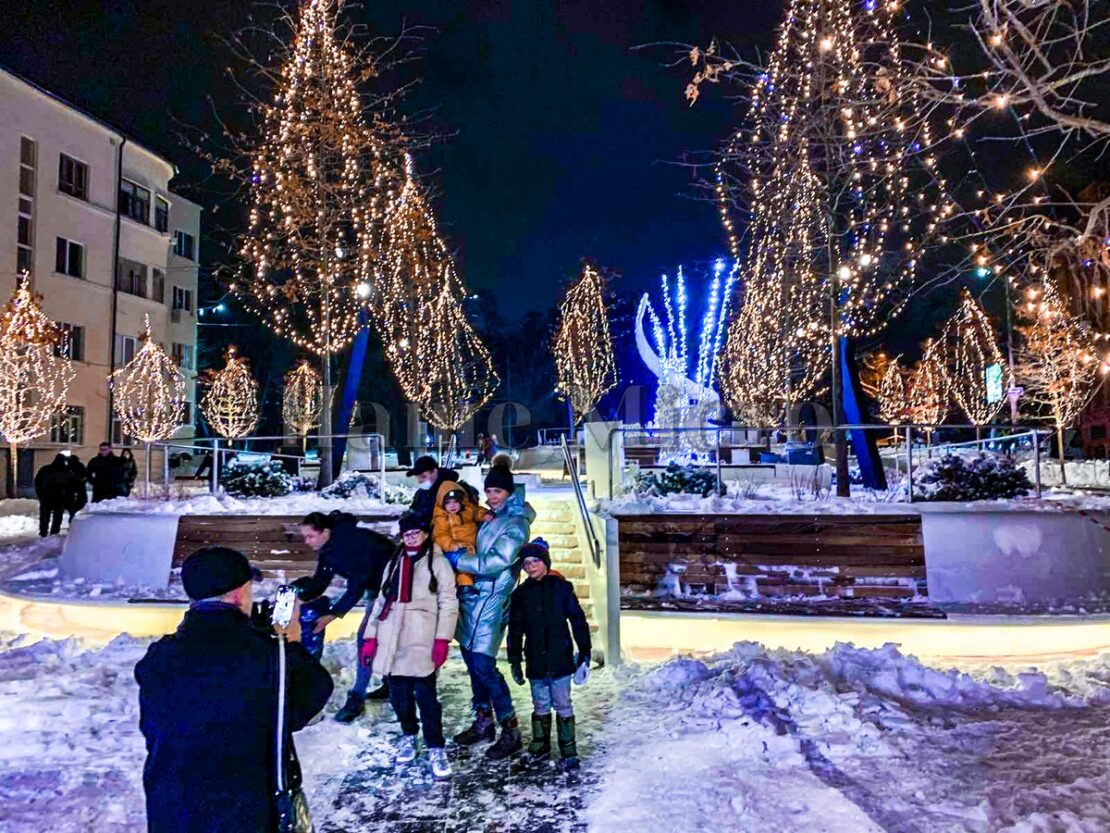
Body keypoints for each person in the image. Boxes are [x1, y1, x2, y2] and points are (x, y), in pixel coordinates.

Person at [135, 547, 333, 833]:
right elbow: (310, 700)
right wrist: (290, 643)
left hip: (173, 806)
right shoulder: (268, 656)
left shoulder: (159, 656)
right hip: (244, 809)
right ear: (240, 594)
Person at [443, 462, 535, 760]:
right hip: (472, 598)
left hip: (492, 601)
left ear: (509, 492)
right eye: (489, 491)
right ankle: (483, 721)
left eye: (497, 491)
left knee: (484, 665)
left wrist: (459, 561)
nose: (492, 496)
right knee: (471, 661)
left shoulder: (517, 522)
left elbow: (497, 560)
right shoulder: (491, 516)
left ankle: (511, 730)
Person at [359, 512, 458, 780]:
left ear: (425, 533)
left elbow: (448, 603)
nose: (411, 537)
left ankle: (436, 746)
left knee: (427, 699)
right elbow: (381, 602)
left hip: (421, 639)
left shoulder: (437, 563)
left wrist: (442, 639)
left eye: (415, 532)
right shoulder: (394, 563)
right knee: (398, 696)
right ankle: (409, 735)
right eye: (406, 534)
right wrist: (371, 637)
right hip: (392, 638)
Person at [296, 510, 395, 722]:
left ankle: (356, 698)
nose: (306, 541)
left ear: (325, 532)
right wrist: (296, 595)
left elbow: (356, 586)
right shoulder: (329, 548)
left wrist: (332, 615)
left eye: (310, 536)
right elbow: (320, 581)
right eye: (304, 537)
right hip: (376, 587)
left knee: (365, 638)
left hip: (392, 588)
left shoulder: (348, 544)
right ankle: (389, 685)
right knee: (376, 639)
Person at [508, 539, 591, 769]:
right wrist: (514, 659)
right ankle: (540, 744)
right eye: (526, 563)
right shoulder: (521, 595)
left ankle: (568, 749)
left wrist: (584, 651)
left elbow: (577, 621)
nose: (531, 566)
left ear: (545, 562)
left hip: (560, 658)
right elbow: (515, 630)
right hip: (535, 659)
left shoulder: (561, 588)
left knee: (563, 703)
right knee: (540, 704)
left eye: (535, 561)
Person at [433, 486, 485, 590]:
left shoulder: (468, 511)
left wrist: (485, 514)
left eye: (455, 502)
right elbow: (439, 535)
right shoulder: (441, 518)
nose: (452, 506)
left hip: (469, 547)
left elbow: (477, 511)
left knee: (469, 566)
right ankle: (465, 586)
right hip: (453, 549)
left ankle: (466, 586)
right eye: (448, 503)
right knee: (461, 567)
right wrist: (450, 545)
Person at [406, 455, 468, 530]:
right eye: (417, 478)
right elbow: (412, 513)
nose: (419, 481)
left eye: (423, 476)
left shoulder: (452, 491)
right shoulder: (420, 494)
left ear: (435, 471)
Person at [34, 453, 78, 537]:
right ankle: (54, 533)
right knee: (57, 516)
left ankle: (43, 532)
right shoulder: (67, 472)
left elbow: (37, 482)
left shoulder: (45, 469)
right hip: (60, 498)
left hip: (46, 497)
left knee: (44, 516)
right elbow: (72, 486)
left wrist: (40, 494)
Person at [66, 454, 88, 522]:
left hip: (70, 490)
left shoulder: (68, 467)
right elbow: (85, 476)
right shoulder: (80, 466)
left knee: (71, 507)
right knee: (79, 504)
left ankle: (72, 517)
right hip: (79, 489)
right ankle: (73, 517)